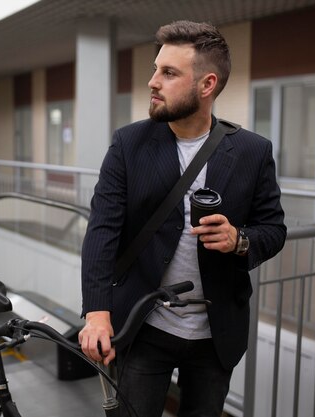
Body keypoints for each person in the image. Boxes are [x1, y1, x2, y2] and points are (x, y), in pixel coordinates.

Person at [78, 20, 286, 417]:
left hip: (216, 333)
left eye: (169, 73)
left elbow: (274, 229)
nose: (153, 81)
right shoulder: (129, 144)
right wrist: (98, 313)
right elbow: (102, 230)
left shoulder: (252, 151)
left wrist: (238, 239)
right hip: (144, 325)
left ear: (206, 85)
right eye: (156, 69)